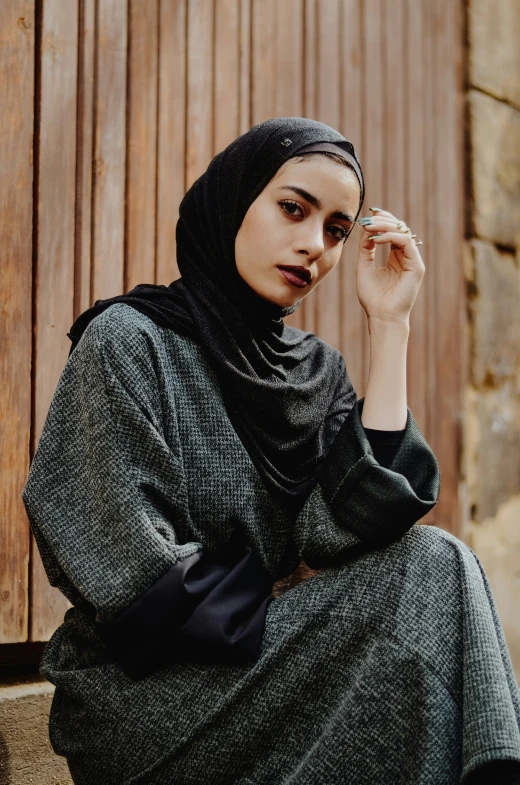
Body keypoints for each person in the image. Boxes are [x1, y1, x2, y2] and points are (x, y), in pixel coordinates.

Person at [22, 117, 520, 785]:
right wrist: (292, 587)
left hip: (273, 659)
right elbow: (131, 575)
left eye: (337, 230)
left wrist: (391, 326)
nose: (313, 244)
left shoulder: (315, 373)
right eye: (293, 208)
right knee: (435, 573)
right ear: (237, 196)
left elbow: (342, 534)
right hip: (144, 697)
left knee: (434, 562)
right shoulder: (129, 343)